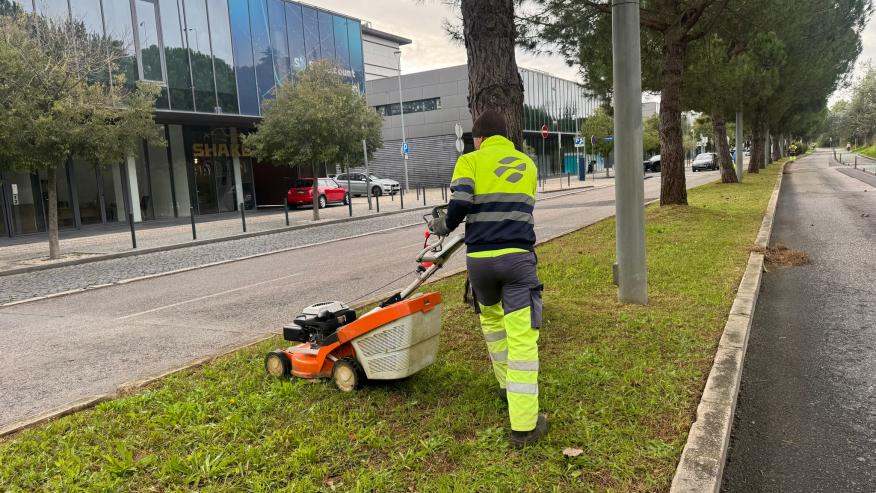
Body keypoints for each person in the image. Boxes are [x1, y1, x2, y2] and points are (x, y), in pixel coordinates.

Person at [428, 110, 548, 447]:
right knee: (521, 336)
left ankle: (505, 386)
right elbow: (522, 206)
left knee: (494, 327)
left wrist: (442, 225)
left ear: (478, 138)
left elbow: (462, 202)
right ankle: (524, 425)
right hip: (517, 259)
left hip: (479, 261)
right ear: (506, 136)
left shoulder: (470, 161)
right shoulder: (528, 165)